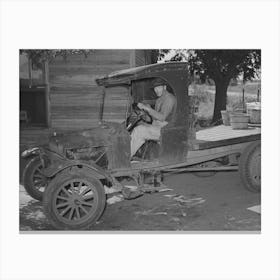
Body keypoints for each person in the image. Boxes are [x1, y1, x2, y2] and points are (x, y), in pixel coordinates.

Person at [130, 78, 177, 157]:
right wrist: (144, 114)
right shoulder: (159, 100)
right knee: (139, 125)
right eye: (155, 88)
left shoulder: (169, 99)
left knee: (139, 131)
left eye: (159, 87)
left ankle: (125, 158)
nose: (156, 90)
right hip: (158, 127)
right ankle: (131, 155)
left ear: (164, 87)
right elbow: (154, 119)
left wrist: (148, 108)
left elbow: (162, 117)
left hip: (166, 130)